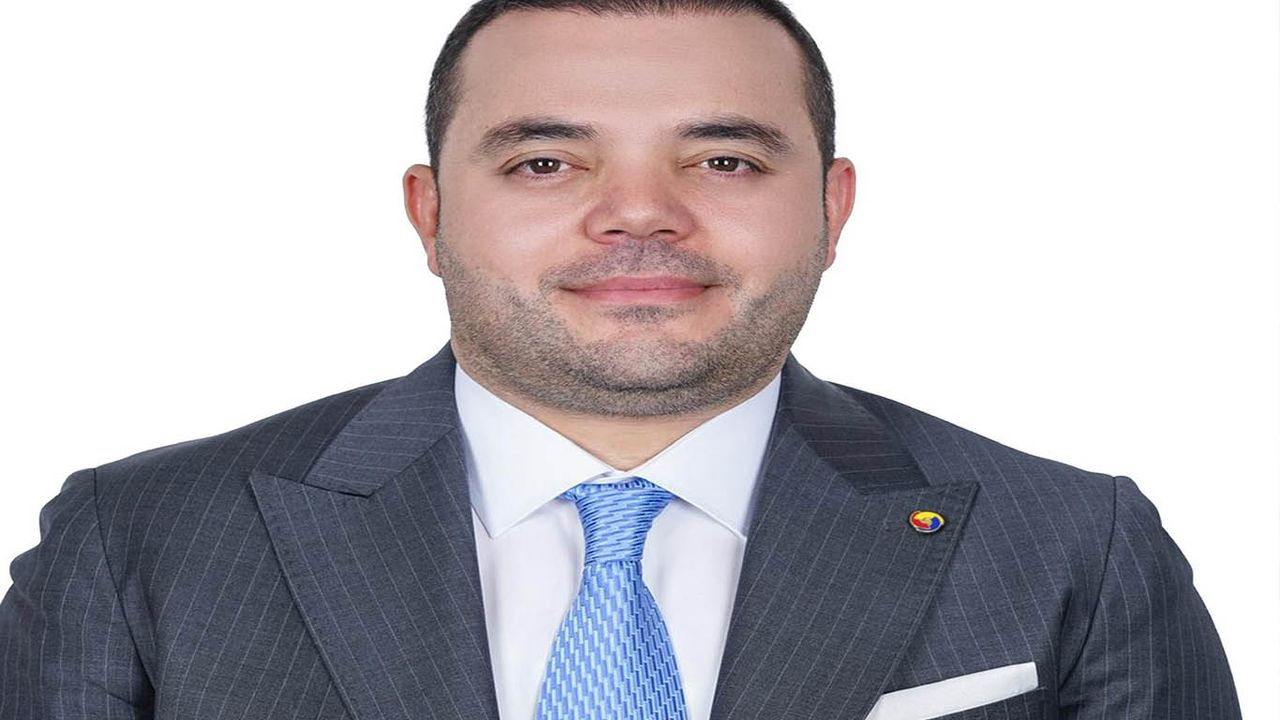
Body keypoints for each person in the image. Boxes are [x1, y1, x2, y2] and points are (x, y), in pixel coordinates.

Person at [0, 1, 1242, 718]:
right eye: (545, 162)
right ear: (431, 214)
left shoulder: (1071, 544)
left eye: (724, 160)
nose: (638, 213)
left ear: (831, 208)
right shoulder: (140, 540)